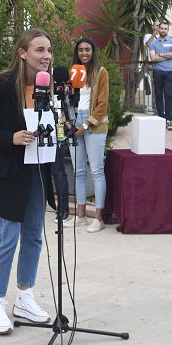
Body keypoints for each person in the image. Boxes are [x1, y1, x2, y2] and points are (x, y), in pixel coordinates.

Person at [0, 28, 55, 335]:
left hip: (37, 172)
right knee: (8, 237)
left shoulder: (47, 86)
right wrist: (10, 138)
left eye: (49, 50)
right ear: (22, 52)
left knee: (34, 236)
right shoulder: (3, 85)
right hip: (8, 174)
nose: (46, 56)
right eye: (39, 50)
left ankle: (25, 296)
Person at [69, 37, 110, 233]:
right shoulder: (73, 73)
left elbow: (102, 104)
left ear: (93, 52)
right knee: (79, 171)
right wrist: (68, 121)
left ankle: (99, 218)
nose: (84, 53)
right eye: (80, 50)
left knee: (96, 171)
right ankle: (81, 215)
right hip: (74, 121)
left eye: (87, 49)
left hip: (94, 124)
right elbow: (67, 100)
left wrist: (85, 125)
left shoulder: (100, 72)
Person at [148, 21, 172, 126]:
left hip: (170, 72)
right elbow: (152, 58)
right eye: (161, 28)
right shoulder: (153, 43)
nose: (163, 30)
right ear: (158, 29)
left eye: (165, 29)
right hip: (157, 72)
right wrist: (167, 56)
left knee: (169, 95)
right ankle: (161, 118)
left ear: (168, 30)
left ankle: (168, 119)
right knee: (159, 95)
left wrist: (160, 54)